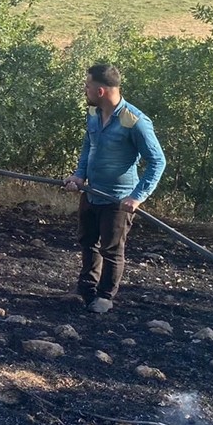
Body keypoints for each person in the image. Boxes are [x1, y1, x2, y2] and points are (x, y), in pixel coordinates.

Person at [63, 63, 166, 314]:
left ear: (100, 91)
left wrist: (138, 196)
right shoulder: (93, 114)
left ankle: (106, 296)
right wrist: (79, 177)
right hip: (92, 193)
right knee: (88, 242)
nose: (84, 90)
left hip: (118, 199)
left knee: (111, 249)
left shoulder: (135, 121)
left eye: (87, 86)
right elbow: (89, 146)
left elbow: (157, 161)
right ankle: (86, 291)